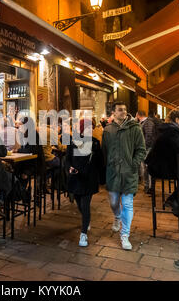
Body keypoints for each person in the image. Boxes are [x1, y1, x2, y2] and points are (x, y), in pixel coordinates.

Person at [102, 101, 146, 250]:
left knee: (127, 204)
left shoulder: (135, 128)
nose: (123, 112)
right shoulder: (107, 130)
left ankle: (125, 235)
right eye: (120, 110)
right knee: (114, 202)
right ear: (113, 112)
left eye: (125, 110)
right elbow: (104, 152)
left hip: (129, 173)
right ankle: (117, 217)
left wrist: (133, 164)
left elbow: (141, 149)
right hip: (113, 173)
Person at [145, 109, 179, 216]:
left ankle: (174, 201)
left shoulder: (169, 129)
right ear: (177, 120)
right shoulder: (172, 131)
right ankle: (176, 202)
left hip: (163, 165)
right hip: (159, 168)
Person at [66, 118, 103, 247]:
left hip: (89, 179)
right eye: (88, 127)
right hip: (76, 178)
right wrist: (70, 168)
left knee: (85, 205)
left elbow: (99, 162)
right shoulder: (73, 141)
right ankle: (86, 221)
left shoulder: (95, 143)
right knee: (79, 203)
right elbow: (68, 159)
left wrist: (100, 179)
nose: (91, 129)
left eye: (92, 127)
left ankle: (83, 234)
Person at [136, 110, 157, 194]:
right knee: (145, 169)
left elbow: (149, 136)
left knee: (147, 169)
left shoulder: (148, 122)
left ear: (138, 115)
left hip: (147, 149)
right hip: (146, 149)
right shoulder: (144, 122)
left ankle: (150, 187)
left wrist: (143, 148)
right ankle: (147, 187)